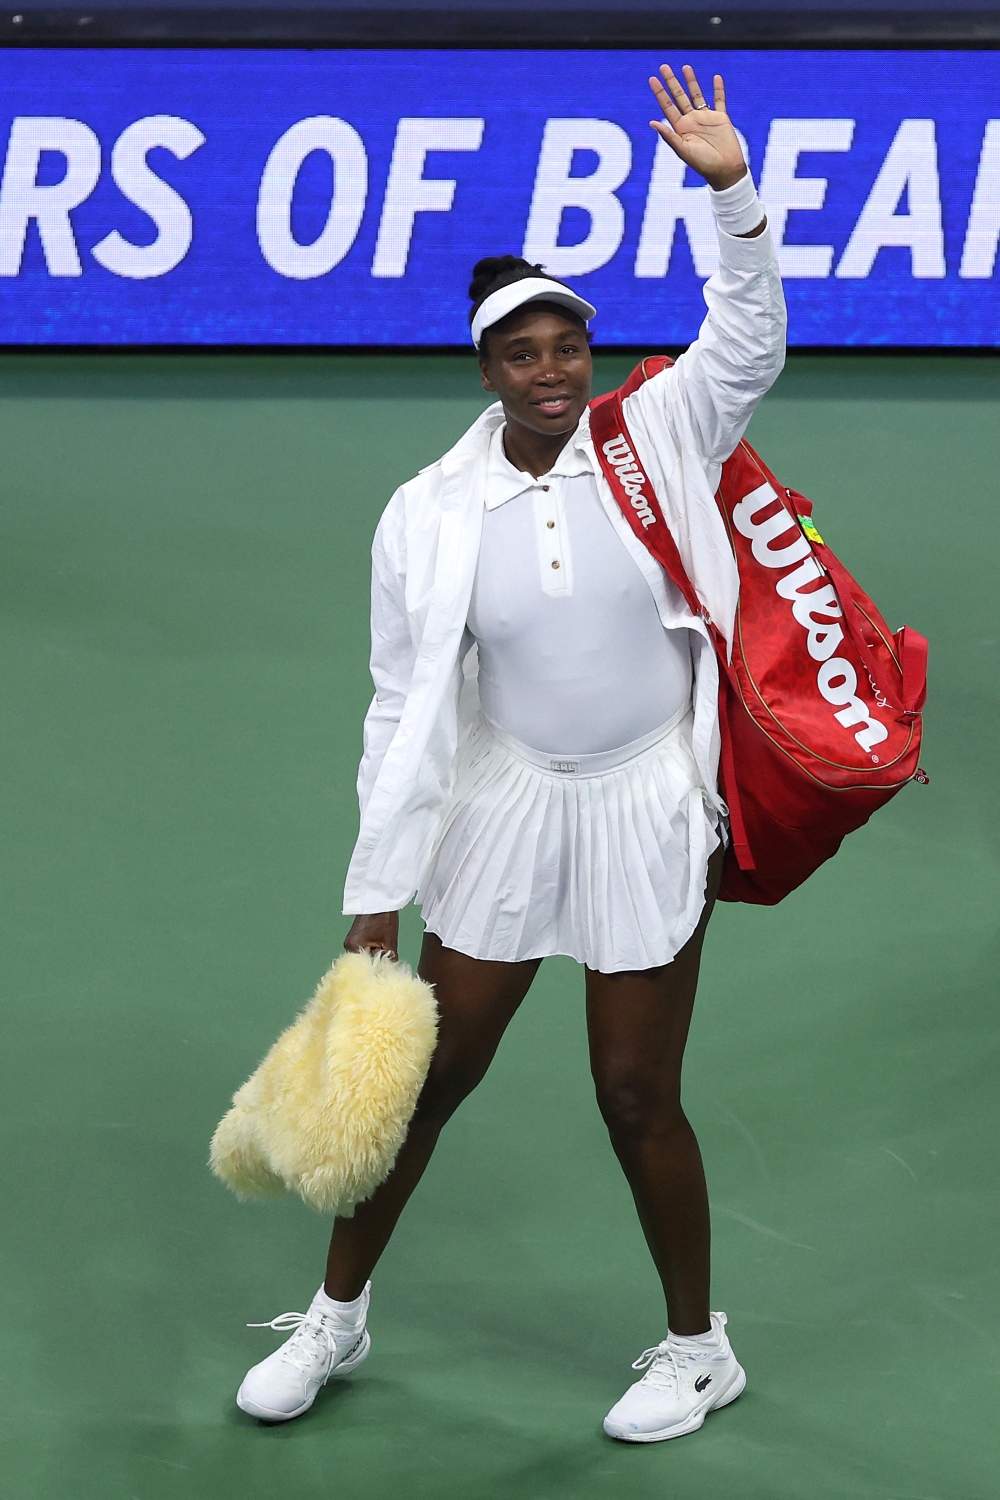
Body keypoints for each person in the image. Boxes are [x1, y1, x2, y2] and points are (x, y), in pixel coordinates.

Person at [236, 62, 786, 1441]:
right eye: (523, 353)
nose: (553, 372)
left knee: (634, 1090)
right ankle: (338, 1321)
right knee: (425, 1081)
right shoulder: (429, 512)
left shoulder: (657, 431)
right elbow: (395, 705)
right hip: (506, 806)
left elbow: (749, 341)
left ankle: (694, 1349)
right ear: (486, 370)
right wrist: (376, 891)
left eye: (568, 347)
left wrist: (731, 192)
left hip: (648, 797)